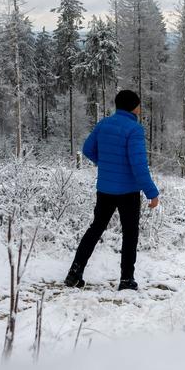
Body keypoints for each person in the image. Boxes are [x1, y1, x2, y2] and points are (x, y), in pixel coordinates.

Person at [64, 89, 160, 291]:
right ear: (133, 106)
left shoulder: (104, 124)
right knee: (130, 233)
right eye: (139, 104)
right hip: (128, 192)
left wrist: (107, 165)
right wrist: (152, 192)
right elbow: (138, 165)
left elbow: (88, 149)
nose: (140, 108)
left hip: (105, 189)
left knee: (95, 229)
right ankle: (126, 280)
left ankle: (74, 273)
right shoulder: (135, 129)